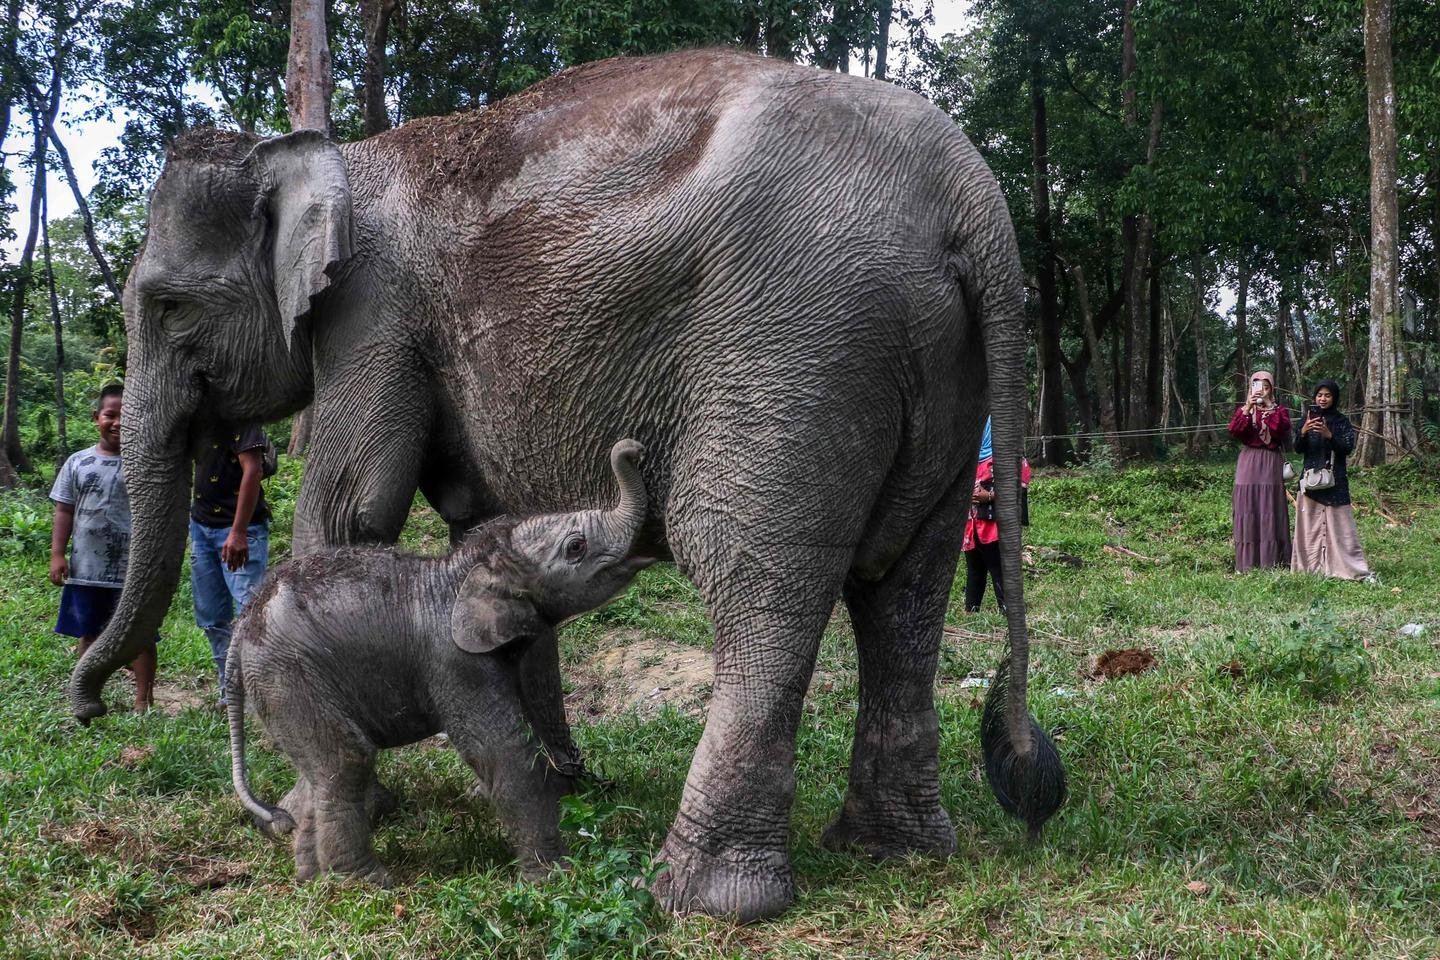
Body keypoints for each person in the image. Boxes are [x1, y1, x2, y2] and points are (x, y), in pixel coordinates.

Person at [49, 384, 156, 712]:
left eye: (127, 415)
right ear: (97, 418)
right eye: (111, 414)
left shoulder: (147, 463)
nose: (118, 422)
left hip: (133, 572)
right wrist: (57, 554)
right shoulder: (78, 462)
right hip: (87, 571)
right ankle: (87, 693)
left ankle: (143, 700)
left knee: (141, 637)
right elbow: (64, 510)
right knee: (89, 634)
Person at [191, 422, 271, 705]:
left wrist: (238, 531)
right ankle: (231, 690)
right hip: (201, 528)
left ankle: (259, 692)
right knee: (212, 616)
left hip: (239, 530)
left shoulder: (242, 418)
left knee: (250, 613)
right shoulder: (200, 419)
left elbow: (254, 470)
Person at [1292, 379, 1373, 580]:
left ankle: (1345, 566)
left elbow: (1346, 448)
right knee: (1309, 527)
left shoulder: (1341, 421)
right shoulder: (1306, 419)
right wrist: (1303, 432)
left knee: (1341, 525)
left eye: (1327, 395)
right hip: (1311, 480)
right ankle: (1311, 566)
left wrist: (1329, 435)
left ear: (1334, 398)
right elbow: (1296, 448)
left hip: (1335, 480)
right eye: (1319, 395)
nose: (1323, 399)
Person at [963, 417, 1031, 612]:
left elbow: (1019, 487)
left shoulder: (1009, 457)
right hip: (972, 524)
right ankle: (971, 609)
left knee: (999, 567)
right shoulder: (969, 457)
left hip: (995, 525)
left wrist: (990, 496)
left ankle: (1007, 609)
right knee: (974, 568)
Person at [1228, 370, 1291, 572]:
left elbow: (1280, 431)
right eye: (1257, 386)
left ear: (1272, 389)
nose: (1261, 391)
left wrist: (1270, 407)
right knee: (1247, 505)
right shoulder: (1245, 410)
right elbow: (1235, 431)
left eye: (1266, 387)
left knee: (1269, 506)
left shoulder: (1280, 411)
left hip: (1270, 461)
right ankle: (1247, 562)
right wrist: (1248, 407)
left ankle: (1274, 560)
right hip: (1249, 461)